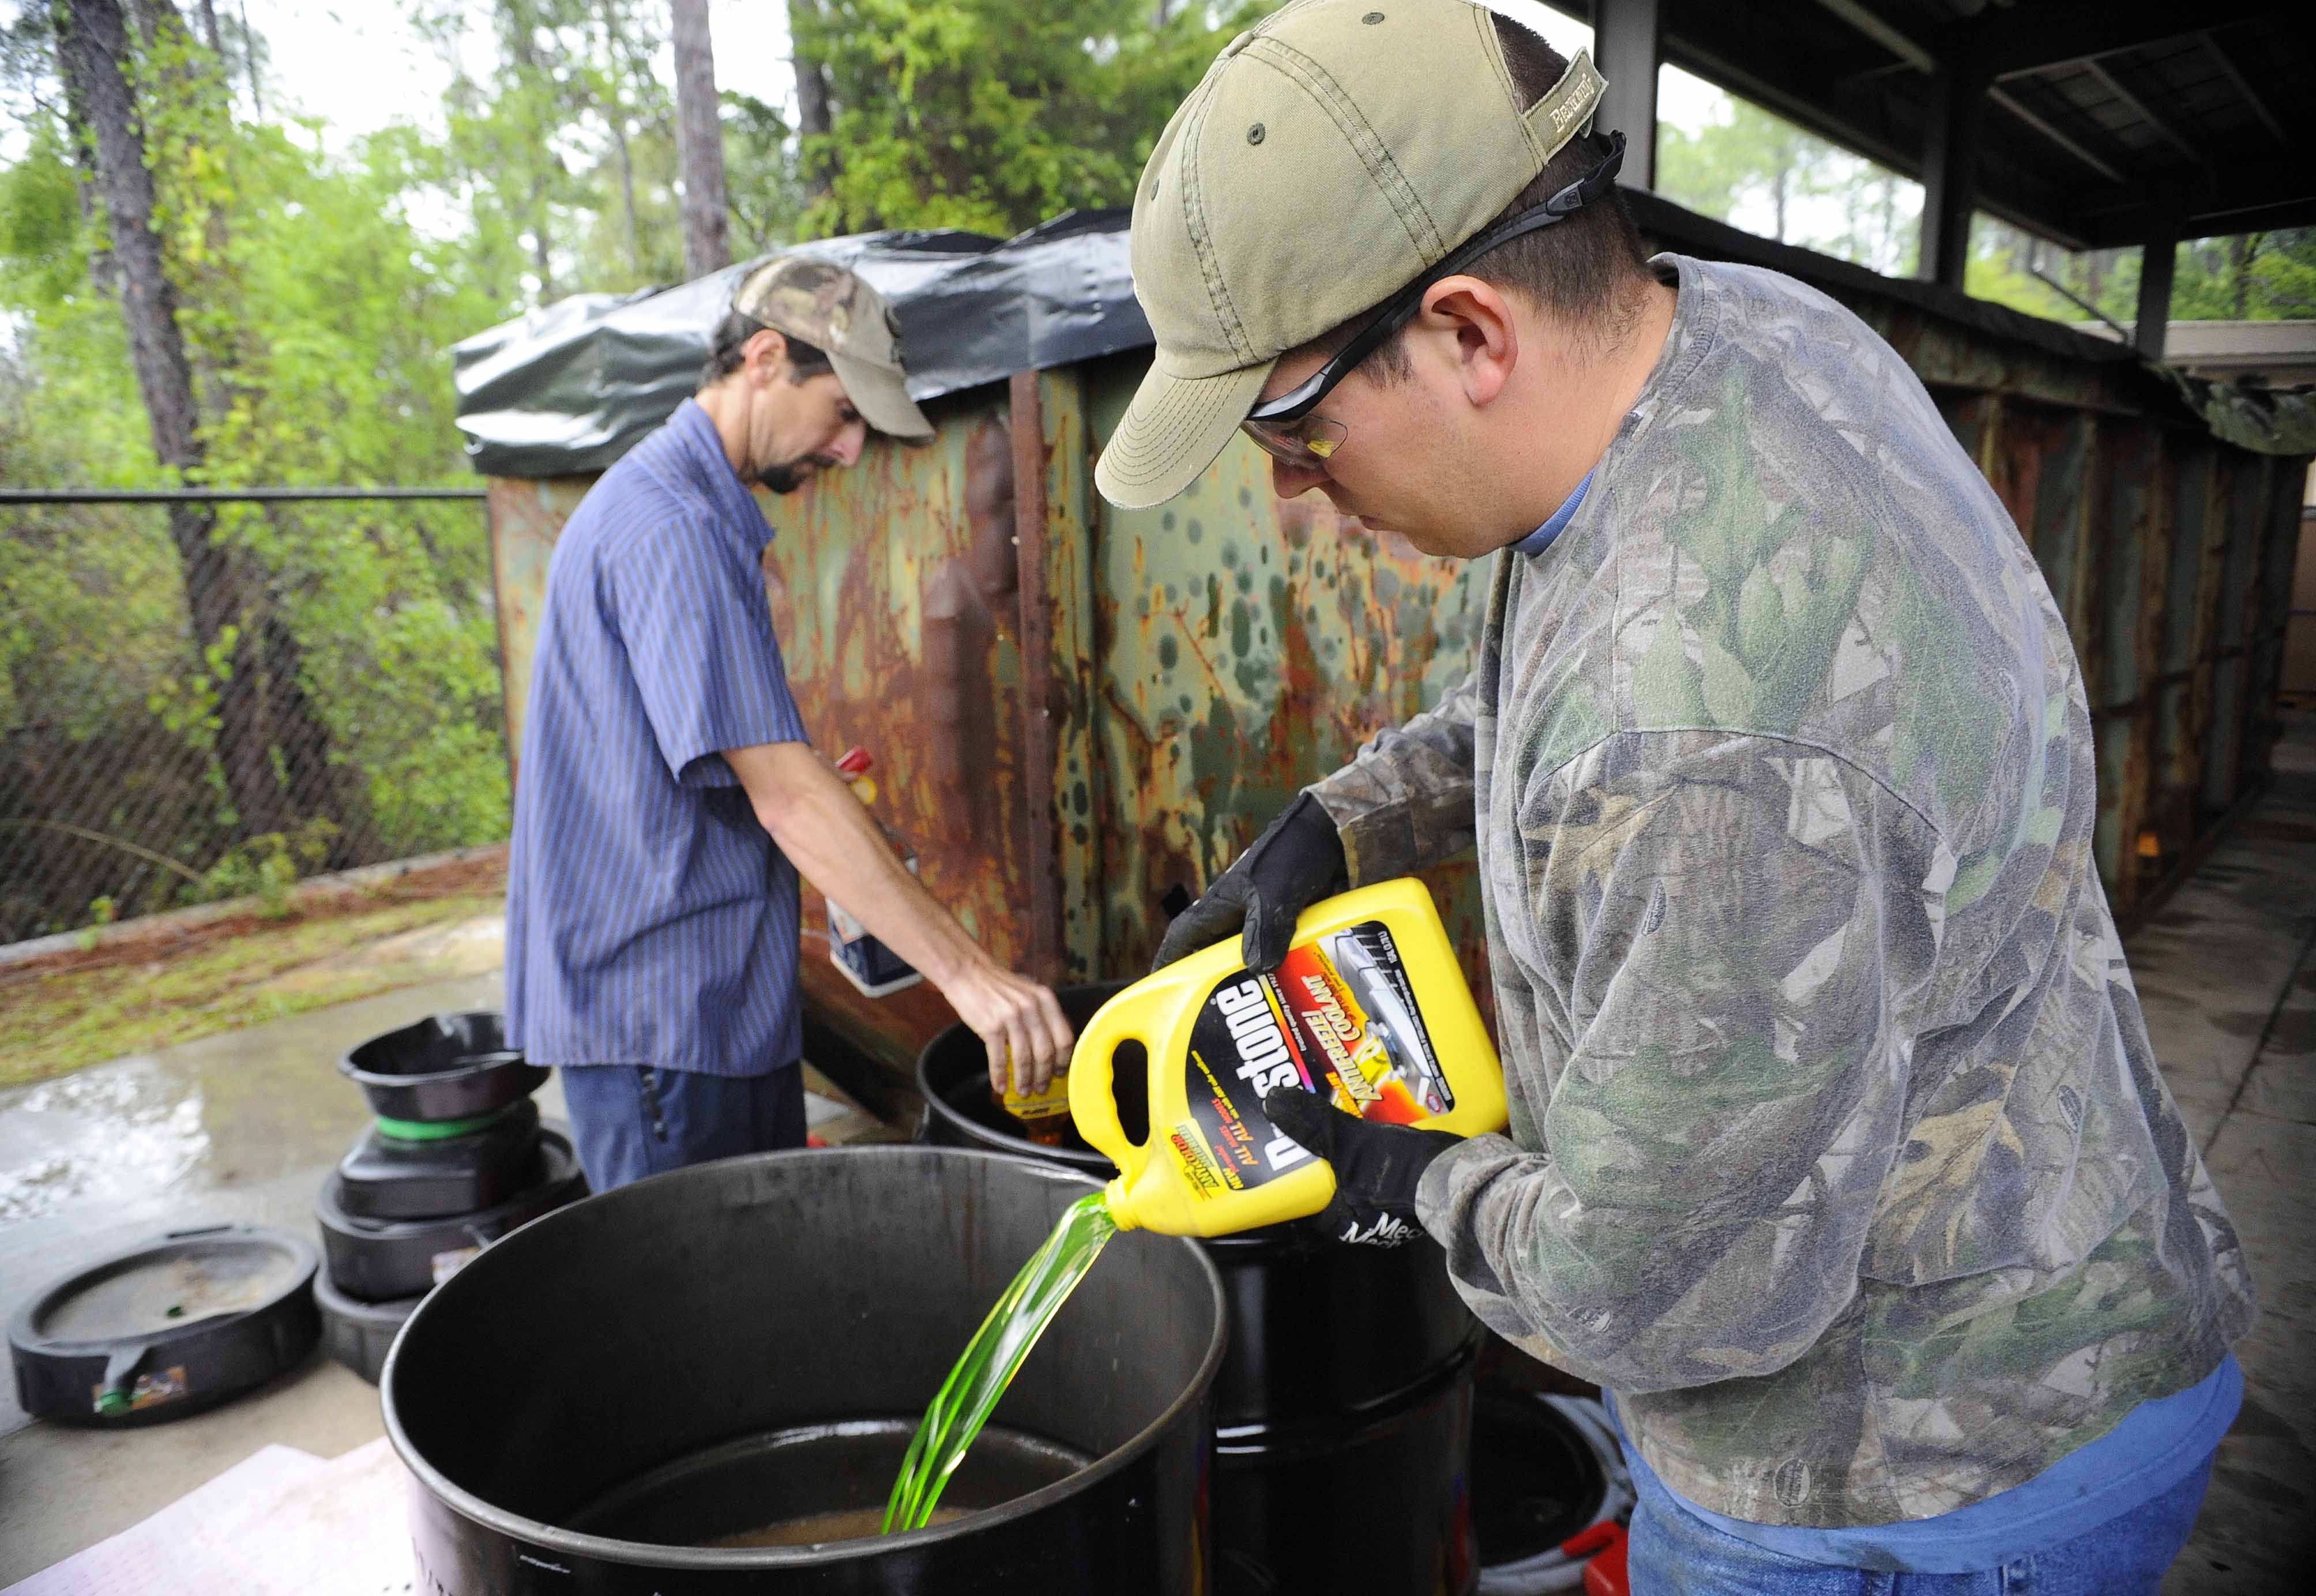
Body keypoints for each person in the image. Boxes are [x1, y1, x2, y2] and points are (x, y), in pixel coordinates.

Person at [1096, 2, 2255, 1590]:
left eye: (1292, 432)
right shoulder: (1730, 339)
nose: (1298, 497)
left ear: (1471, 334)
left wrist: (1395, 1172)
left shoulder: (1706, 761)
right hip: (2041, 1257)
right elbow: (1589, 663)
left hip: (1905, 1474)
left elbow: (1654, 1299)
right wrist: (1351, 818)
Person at [507, 254, 1073, 1192]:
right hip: (662, 1014)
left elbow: (736, 769)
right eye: (845, 414)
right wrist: (972, 979)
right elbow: (786, 799)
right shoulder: (670, 526)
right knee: (695, 1310)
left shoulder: (686, 511)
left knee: (750, 1282)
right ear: (766, 357)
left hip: (702, 997)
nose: (849, 453)